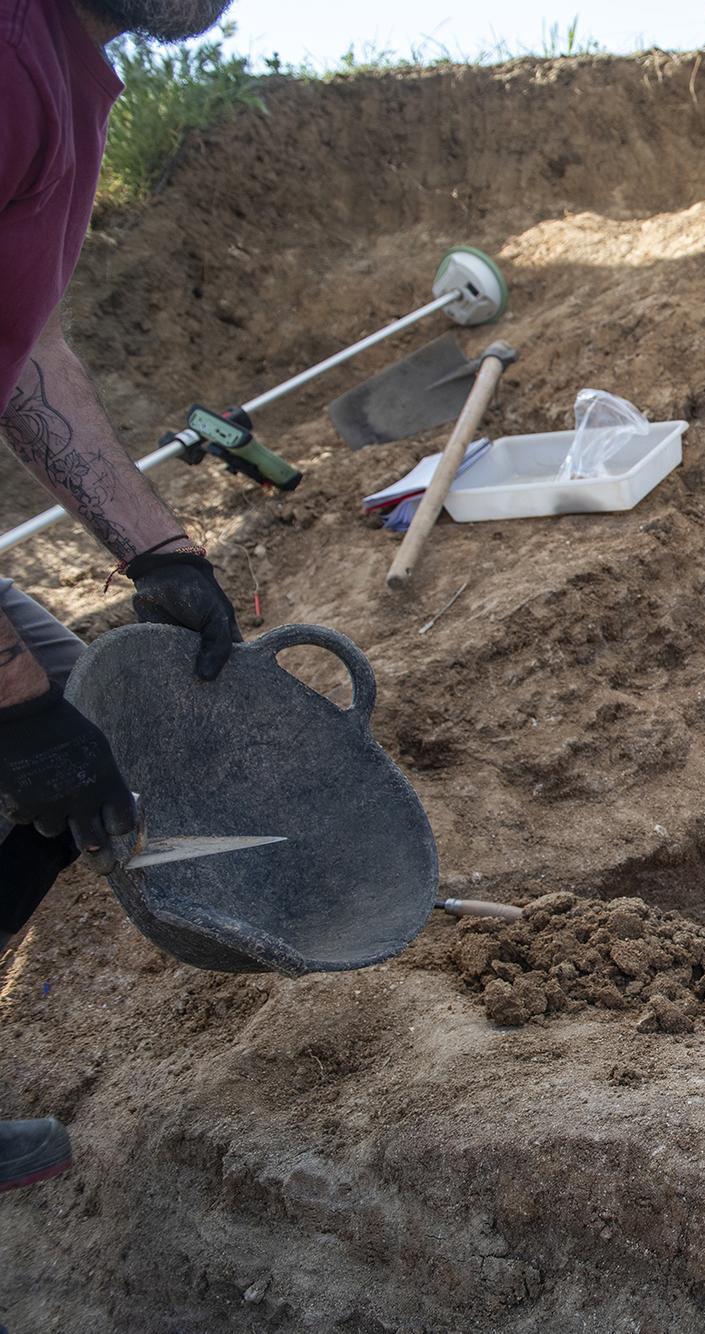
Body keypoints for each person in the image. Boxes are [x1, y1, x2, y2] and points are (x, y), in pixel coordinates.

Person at [1, 0, 245, 1193]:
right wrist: (13, 701)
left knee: (64, 774)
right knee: (36, 737)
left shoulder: (64, 70)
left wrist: (159, 552)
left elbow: (28, 351)